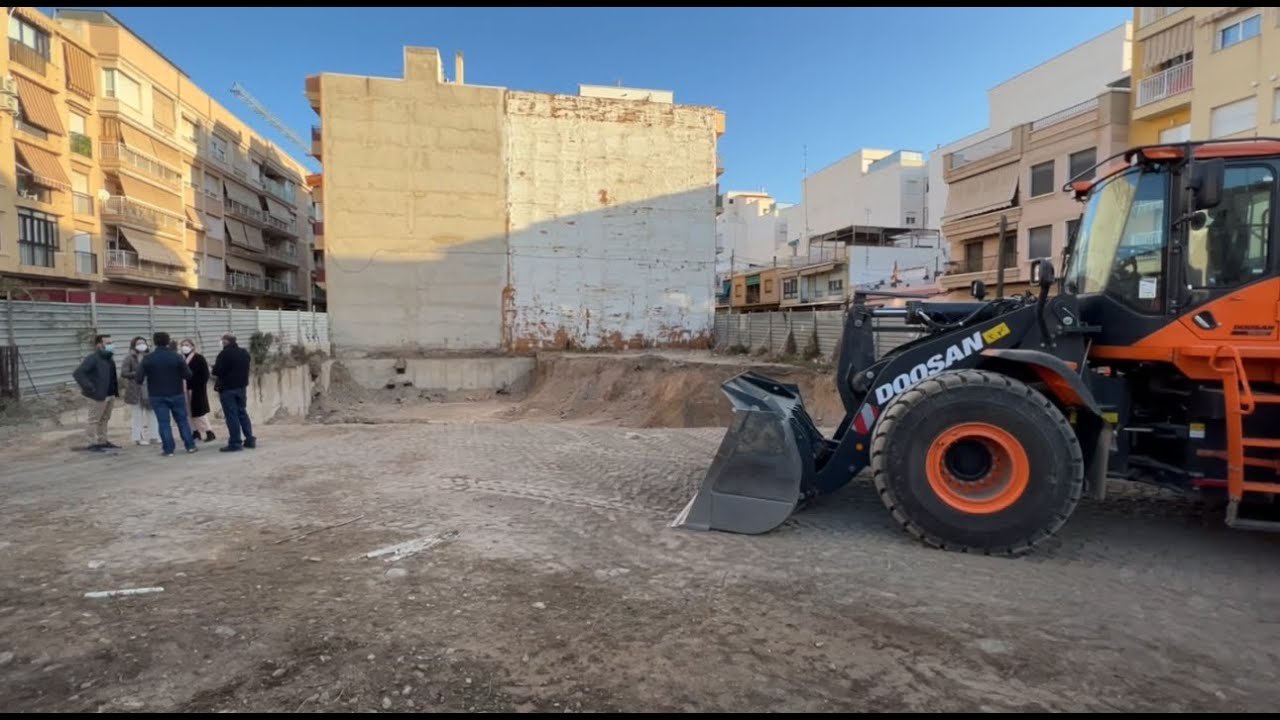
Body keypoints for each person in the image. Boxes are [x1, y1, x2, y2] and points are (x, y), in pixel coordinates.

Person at [137, 331, 197, 457]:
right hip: (176, 393)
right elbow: (188, 375)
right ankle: (190, 446)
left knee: (164, 423)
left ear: (154, 342)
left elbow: (139, 378)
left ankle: (168, 450)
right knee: (182, 420)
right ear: (168, 341)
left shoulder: (148, 358)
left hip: (157, 394)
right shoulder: (176, 357)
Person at [71, 334, 121, 452]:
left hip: (110, 394)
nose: (111, 345)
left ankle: (102, 441)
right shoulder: (93, 358)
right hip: (98, 395)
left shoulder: (109, 358)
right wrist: (91, 388)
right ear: (99, 345)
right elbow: (78, 373)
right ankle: (91, 444)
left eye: (111, 342)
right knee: (94, 420)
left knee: (104, 419)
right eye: (108, 343)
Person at [211, 332, 255, 452]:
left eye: (222, 340)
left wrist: (213, 367)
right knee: (242, 413)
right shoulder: (244, 353)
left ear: (226, 341)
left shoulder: (224, 354)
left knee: (231, 416)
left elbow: (217, 371)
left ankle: (235, 442)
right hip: (241, 387)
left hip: (227, 389)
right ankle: (250, 439)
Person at [121, 335, 156, 446]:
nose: (141, 345)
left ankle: (155, 436)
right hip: (135, 390)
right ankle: (138, 438)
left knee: (152, 413)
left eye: (143, 343)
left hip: (150, 389)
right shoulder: (129, 358)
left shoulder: (151, 356)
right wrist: (138, 373)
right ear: (134, 346)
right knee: (137, 415)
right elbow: (124, 373)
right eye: (138, 343)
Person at [180, 337, 216, 443]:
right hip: (185, 389)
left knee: (199, 413)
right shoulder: (181, 359)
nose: (184, 347)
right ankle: (195, 432)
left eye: (187, 345)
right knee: (188, 412)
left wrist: (198, 385)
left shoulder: (199, 358)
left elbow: (205, 374)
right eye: (183, 345)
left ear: (192, 346)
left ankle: (209, 432)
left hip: (196, 390)